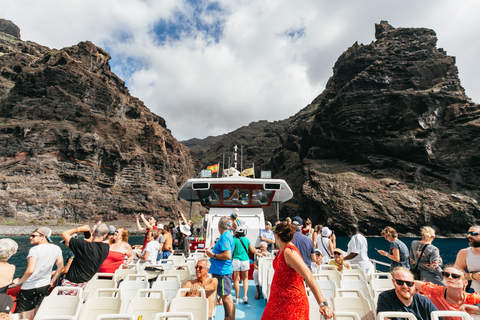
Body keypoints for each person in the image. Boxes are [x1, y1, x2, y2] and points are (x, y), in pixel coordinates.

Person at [261, 222, 334, 320]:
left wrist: (323, 304)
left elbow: (309, 276)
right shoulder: (281, 249)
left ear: (276, 235)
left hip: (291, 303)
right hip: (278, 301)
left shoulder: (290, 252)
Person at [14, 227, 63, 320]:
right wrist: (52, 281)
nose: (30, 238)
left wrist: (19, 281)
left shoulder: (34, 250)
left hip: (29, 287)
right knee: (39, 314)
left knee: (27, 317)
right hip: (44, 286)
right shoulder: (56, 248)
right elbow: (60, 267)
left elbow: (30, 270)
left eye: (33, 236)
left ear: (42, 237)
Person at [414, 264, 480, 319]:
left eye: (455, 276)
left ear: (465, 283)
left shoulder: (472, 298)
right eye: (446, 274)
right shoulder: (435, 291)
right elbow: (412, 283)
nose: (450, 277)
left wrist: (477, 309)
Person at [60, 223, 110, 295]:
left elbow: (64, 234)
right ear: (105, 235)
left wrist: (79, 229)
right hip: (85, 285)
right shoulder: (106, 247)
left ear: (93, 233)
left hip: (71, 285)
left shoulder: (83, 246)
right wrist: (87, 233)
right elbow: (93, 243)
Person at [205, 216, 235, 320]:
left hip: (222, 271)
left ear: (219, 226)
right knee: (225, 297)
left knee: (226, 298)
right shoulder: (228, 235)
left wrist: (213, 255)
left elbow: (227, 255)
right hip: (221, 271)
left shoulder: (224, 237)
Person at [232, 226, 257, 304]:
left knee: (236, 279)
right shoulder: (246, 240)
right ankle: (245, 296)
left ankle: (237, 297)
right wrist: (259, 253)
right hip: (245, 260)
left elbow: (232, 250)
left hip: (236, 259)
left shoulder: (234, 240)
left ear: (236, 232)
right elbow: (252, 249)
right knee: (245, 278)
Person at [454, 225, 480, 292]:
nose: (469, 236)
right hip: (474, 297)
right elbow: (455, 274)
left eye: (473, 233)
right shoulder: (464, 253)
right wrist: (473, 276)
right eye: (468, 233)